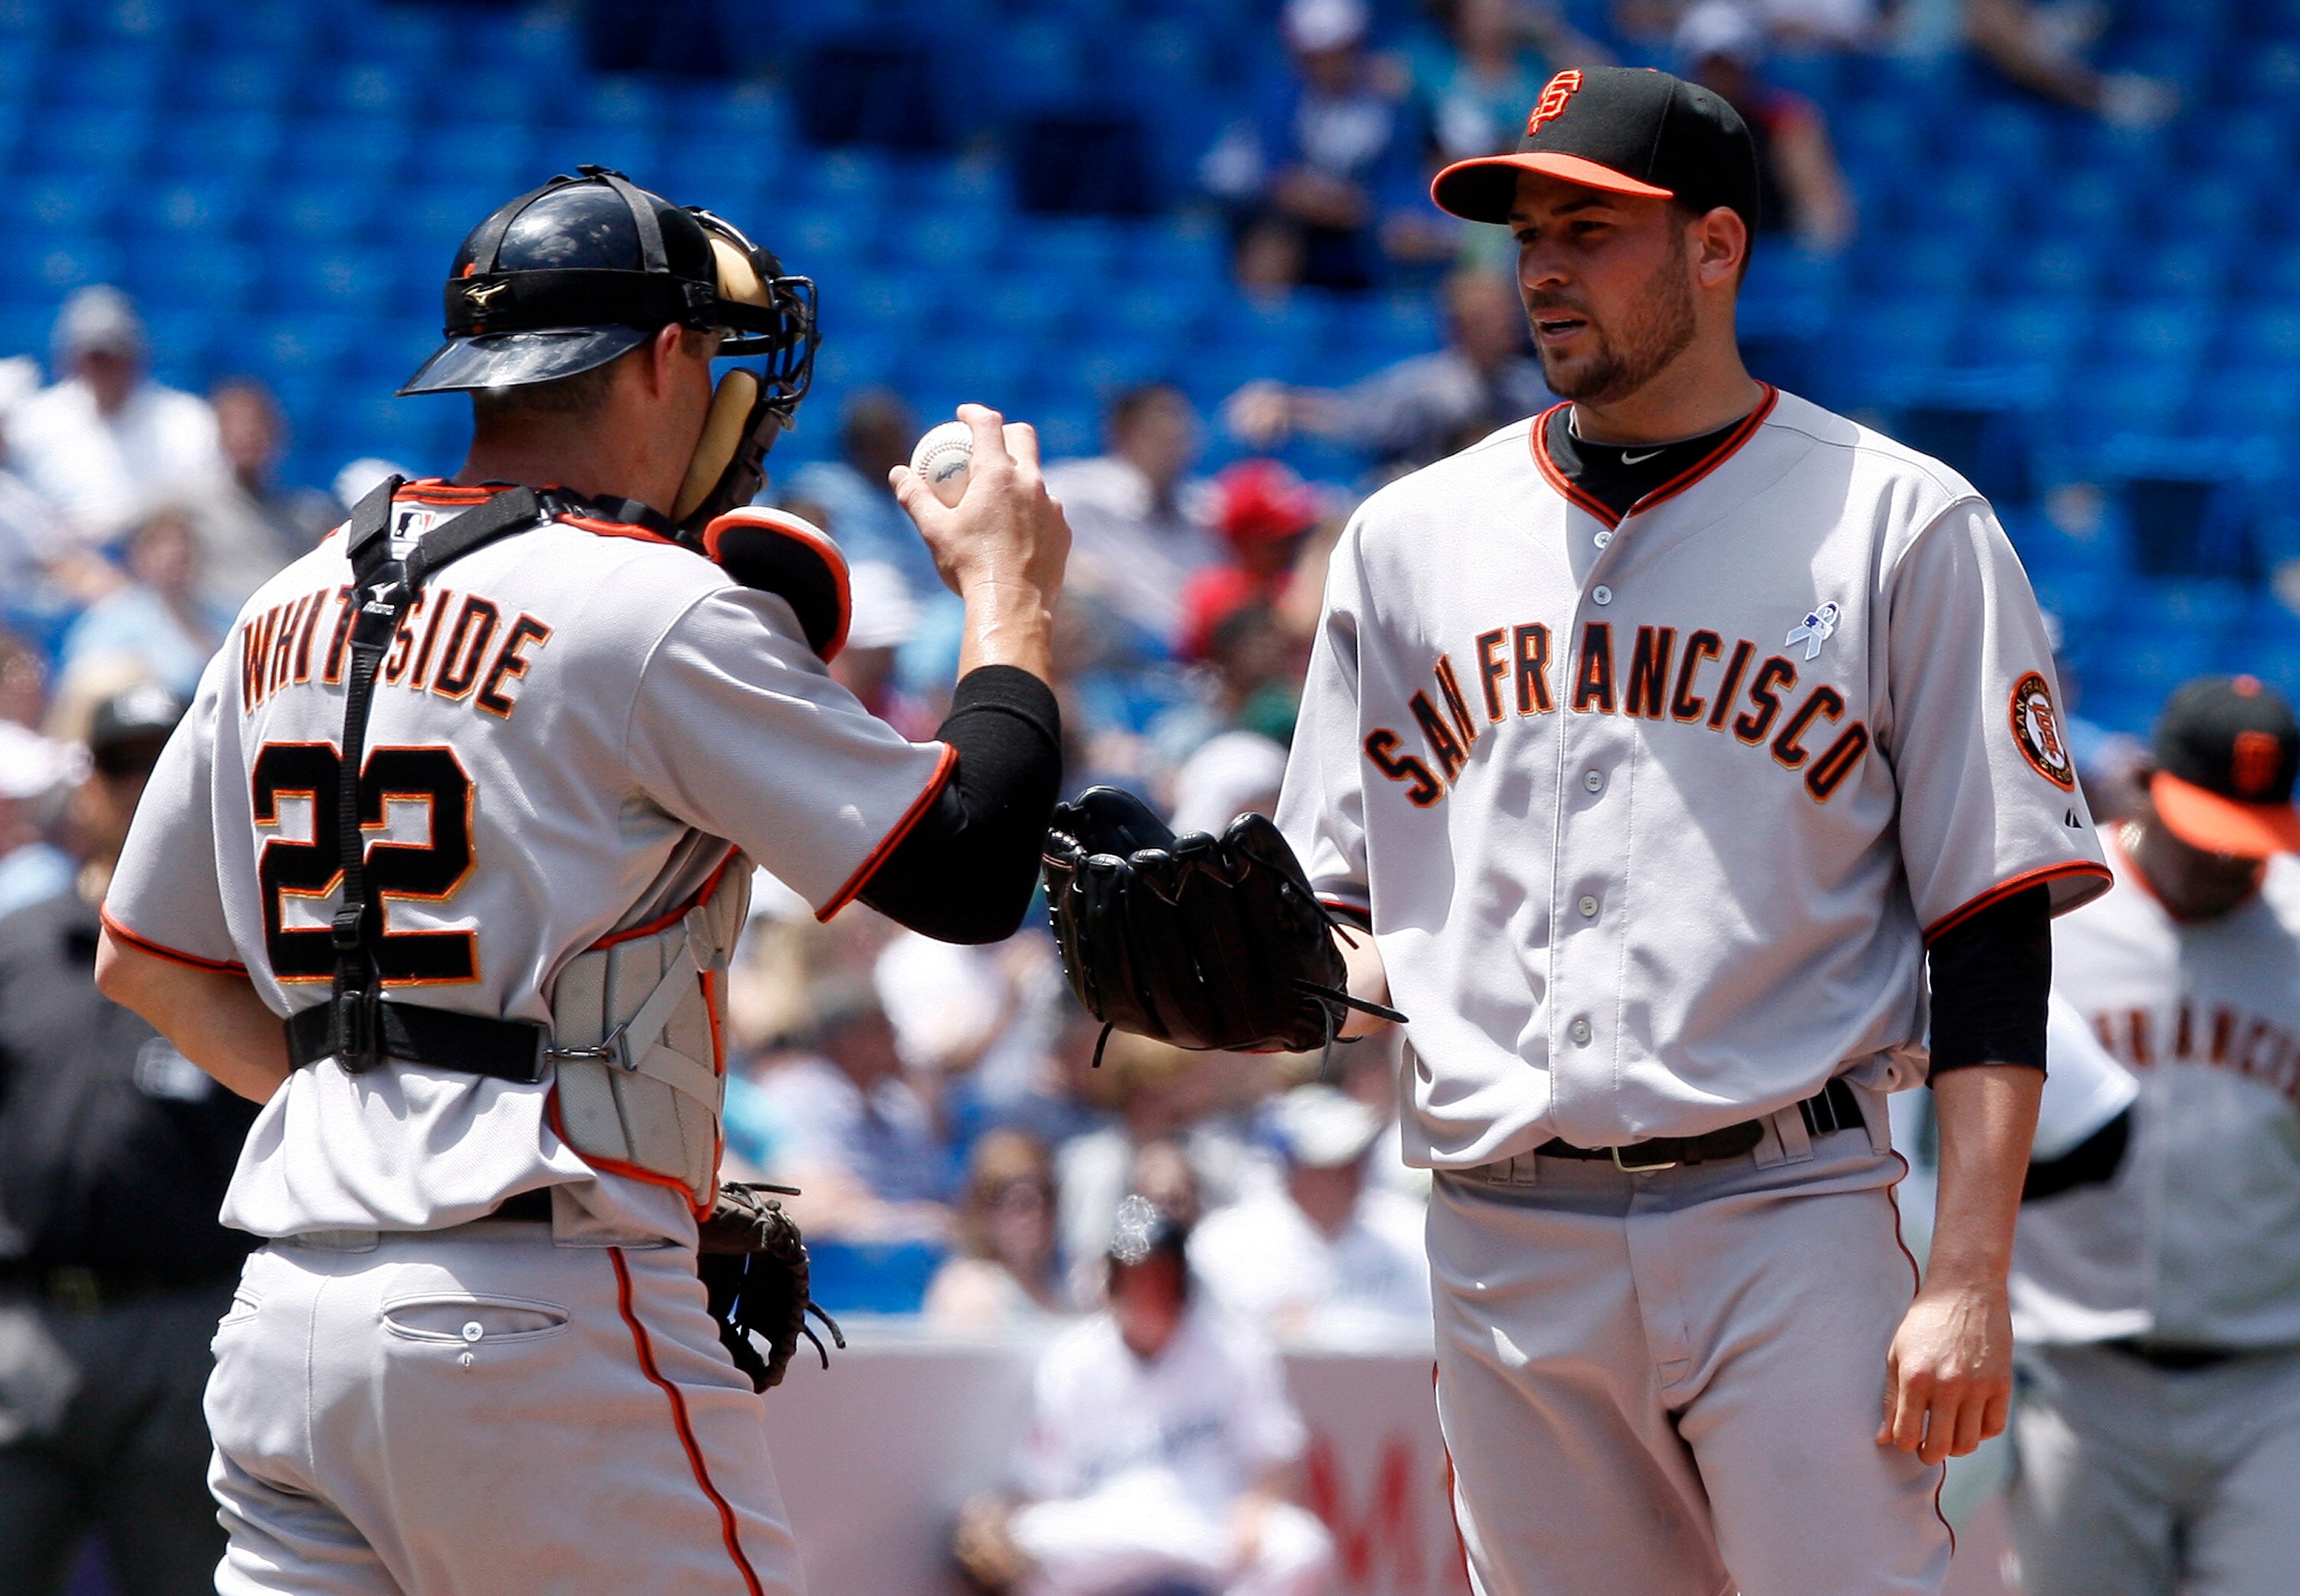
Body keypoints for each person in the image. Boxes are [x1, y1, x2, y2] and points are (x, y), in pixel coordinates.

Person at [92, 169, 1070, 1595]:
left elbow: (150, 962)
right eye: (715, 357)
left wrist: (419, 1128)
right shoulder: (641, 598)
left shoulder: (283, 598)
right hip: (530, 1330)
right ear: (664, 357)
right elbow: (976, 866)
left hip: (286, 1315)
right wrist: (1013, 593)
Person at [1276, 66, 2111, 1594]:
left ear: (1716, 249)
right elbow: (1344, 915)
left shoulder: (1900, 523)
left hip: (1784, 1211)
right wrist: (1245, 977)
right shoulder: (1406, 544)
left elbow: (1989, 925)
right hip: (1500, 1228)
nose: (1537, 265)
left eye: (1590, 228)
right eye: (1525, 229)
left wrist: (1975, 1273)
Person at [2006, 676, 2300, 1596]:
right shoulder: (2055, 918)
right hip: (2074, 1381)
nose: (2227, 864)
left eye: (2248, 839)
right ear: (2145, 786)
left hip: (2270, 1387)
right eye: (2208, 831)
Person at [0, 685, 260, 1596]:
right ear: (90, 788)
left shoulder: (245, 956)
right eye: (123, 765)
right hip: (25, 1324)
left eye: (164, 763)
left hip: (187, 1328)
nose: (144, 786)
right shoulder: (19, 946)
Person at [954, 1197, 1336, 1596]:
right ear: (1114, 1284)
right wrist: (1002, 1514)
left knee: (1303, 1549)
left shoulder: (1231, 1348)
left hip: (1207, 1521)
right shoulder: (1073, 1361)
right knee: (1020, 1551)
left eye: (1160, 1277)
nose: (1148, 1291)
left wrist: (1255, 1506)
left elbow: (1272, 1455)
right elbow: (1047, 1485)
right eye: (1136, 1277)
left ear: (1181, 1282)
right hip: (1111, 1526)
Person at [1209, 0, 1444, 293]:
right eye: (1317, 55)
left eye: (1340, 51)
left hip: (1363, 235)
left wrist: (1375, 214)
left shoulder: (1386, 101)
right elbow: (1279, 181)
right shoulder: (1279, 98)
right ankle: (1265, 325)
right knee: (1269, 240)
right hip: (1297, 225)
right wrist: (1348, 208)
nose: (1329, 64)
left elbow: (1398, 174)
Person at [1225, 270, 1552, 475]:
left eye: (1506, 316)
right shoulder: (1424, 387)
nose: (1504, 327)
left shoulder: (1526, 388)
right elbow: (1356, 420)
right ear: (1460, 328)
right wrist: (1289, 405)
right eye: (1489, 319)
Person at [1190, 1084, 1430, 1341]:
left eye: (1355, 1158)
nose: (1347, 1173)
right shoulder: (1224, 1242)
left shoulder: (1411, 1229)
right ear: (1291, 1167)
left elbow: (1432, 1329)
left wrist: (1323, 1327)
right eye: (1328, 1166)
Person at [740, 974, 957, 1241]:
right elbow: (823, 1200)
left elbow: (936, 1188)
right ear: (847, 1041)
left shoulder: (898, 1102)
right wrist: (913, 1222)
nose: (895, 1036)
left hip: (912, 1245)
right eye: (881, 1028)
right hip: (843, 1254)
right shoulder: (800, 1091)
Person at [5, 287, 225, 547]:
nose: (101, 368)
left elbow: (203, 498)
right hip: (54, 564)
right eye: (92, 357)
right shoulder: (31, 420)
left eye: (112, 356)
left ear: (136, 355)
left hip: (158, 558)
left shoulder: (188, 420)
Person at [1043, 383, 1221, 653]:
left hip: (1192, 667)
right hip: (1106, 664)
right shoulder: (1078, 492)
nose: (1176, 437)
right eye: (1161, 429)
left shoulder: (1203, 509)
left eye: (1182, 428)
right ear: (1126, 433)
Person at [1677, 2, 1855, 252]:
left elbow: (1823, 209)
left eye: (1730, 65)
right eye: (1712, 65)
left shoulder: (1785, 123)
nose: (1722, 76)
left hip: (1769, 253)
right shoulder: (1673, 126)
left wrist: (1814, 260)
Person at [57, 508, 235, 702]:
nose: (175, 553)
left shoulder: (224, 614)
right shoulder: (111, 620)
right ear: (138, 554)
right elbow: (85, 690)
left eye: (183, 543)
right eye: (161, 545)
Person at [195, 379, 339, 608]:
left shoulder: (309, 512)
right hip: (215, 627)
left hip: (281, 622)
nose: (248, 435)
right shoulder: (188, 500)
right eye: (236, 426)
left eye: (256, 426)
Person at [923, 1129, 1068, 1328]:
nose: (1038, 1214)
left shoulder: (1064, 1286)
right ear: (984, 1210)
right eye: (1021, 1203)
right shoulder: (970, 1288)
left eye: (1047, 1196)